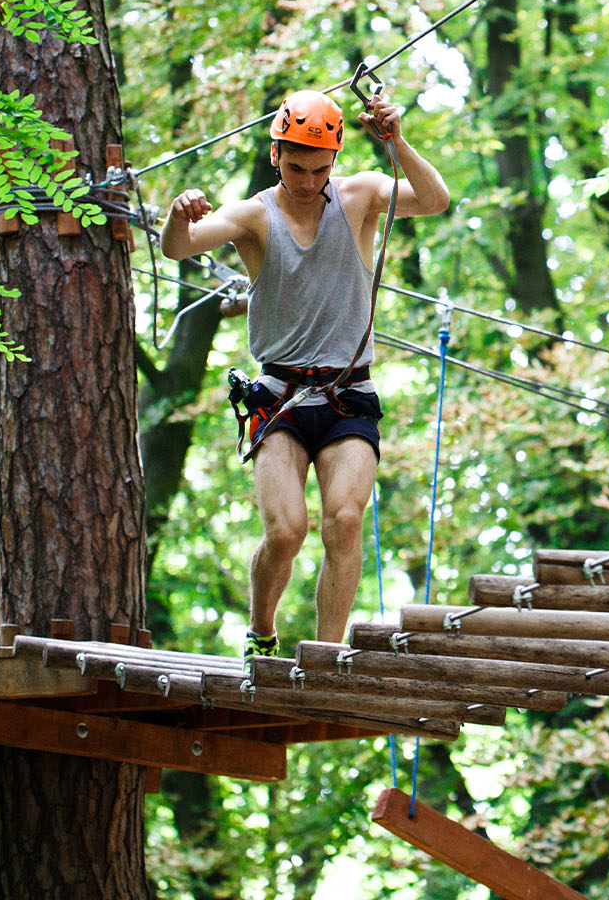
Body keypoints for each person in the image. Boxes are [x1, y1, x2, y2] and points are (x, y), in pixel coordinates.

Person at [160, 87, 450, 660]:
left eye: (319, 168)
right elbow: (179, 247)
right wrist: (176, 214)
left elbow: (434, 198)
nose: (307, 180)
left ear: (334, 161)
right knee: (286, 531)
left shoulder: (361, 194)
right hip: (280, 398)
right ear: (275, 155)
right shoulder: (253, 216)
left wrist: (397, 142)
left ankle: (324, 656)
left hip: (349, 395)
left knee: (344, 521)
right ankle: (261, 633)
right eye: (295, 166)